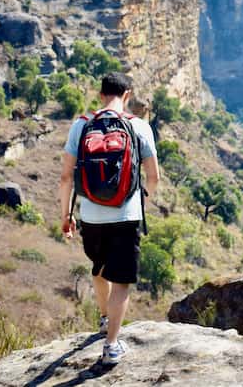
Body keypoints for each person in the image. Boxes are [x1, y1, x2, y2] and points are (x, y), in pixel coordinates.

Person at [59, 71, 159, 365]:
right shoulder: (138, 126)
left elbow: (66, 176)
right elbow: (153, 176)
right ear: (127, 95)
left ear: (101, 95)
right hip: (126, 215)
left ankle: (104, 318)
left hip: (90, 215)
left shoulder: (81, 125)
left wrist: (66, 215)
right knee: (122, 282)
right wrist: (143, 199)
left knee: (99, 268)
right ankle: (112, 345)